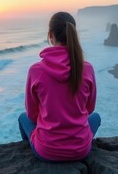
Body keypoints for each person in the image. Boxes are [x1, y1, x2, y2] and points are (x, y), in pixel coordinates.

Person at [18, 11, 101, 162]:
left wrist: (52, 121)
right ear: (74, 33)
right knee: (96, 118)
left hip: (47, 151)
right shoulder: (87, 68)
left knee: (22, 117)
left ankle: (29, 155)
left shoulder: (36, 71)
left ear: (50, 35)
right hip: (81, 150)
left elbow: (32, 114)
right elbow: (89, 109)